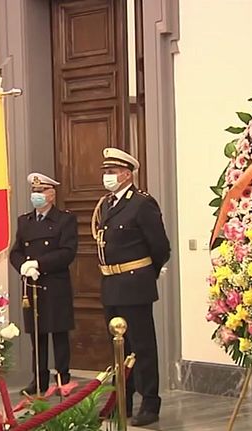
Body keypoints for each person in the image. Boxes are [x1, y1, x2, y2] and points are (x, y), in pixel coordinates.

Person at [92, 148, 170, 427]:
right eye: (105, 172)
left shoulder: (141, 203)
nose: (107, 176)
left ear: (127, 174)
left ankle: (150, 403)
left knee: (142, 346)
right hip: (111, 283)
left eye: (112, 172)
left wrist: (145, 273)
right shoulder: (107, 204)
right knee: (119, 349)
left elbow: (160, 247)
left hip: (135, 284)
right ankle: (122, 401)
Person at [10, 173, 78, 395]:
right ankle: (39, 379)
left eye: (41, 191)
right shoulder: (25, 221)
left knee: (59, 333)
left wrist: (39, 264)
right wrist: (23, 266)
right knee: (37, 335)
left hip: (55, 284)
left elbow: (67, 252)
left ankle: (62, 378)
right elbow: (16, 251)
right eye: (34, 191)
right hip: (32, 286)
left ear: (52, 194)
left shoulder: (64, 220)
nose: (36, 195)